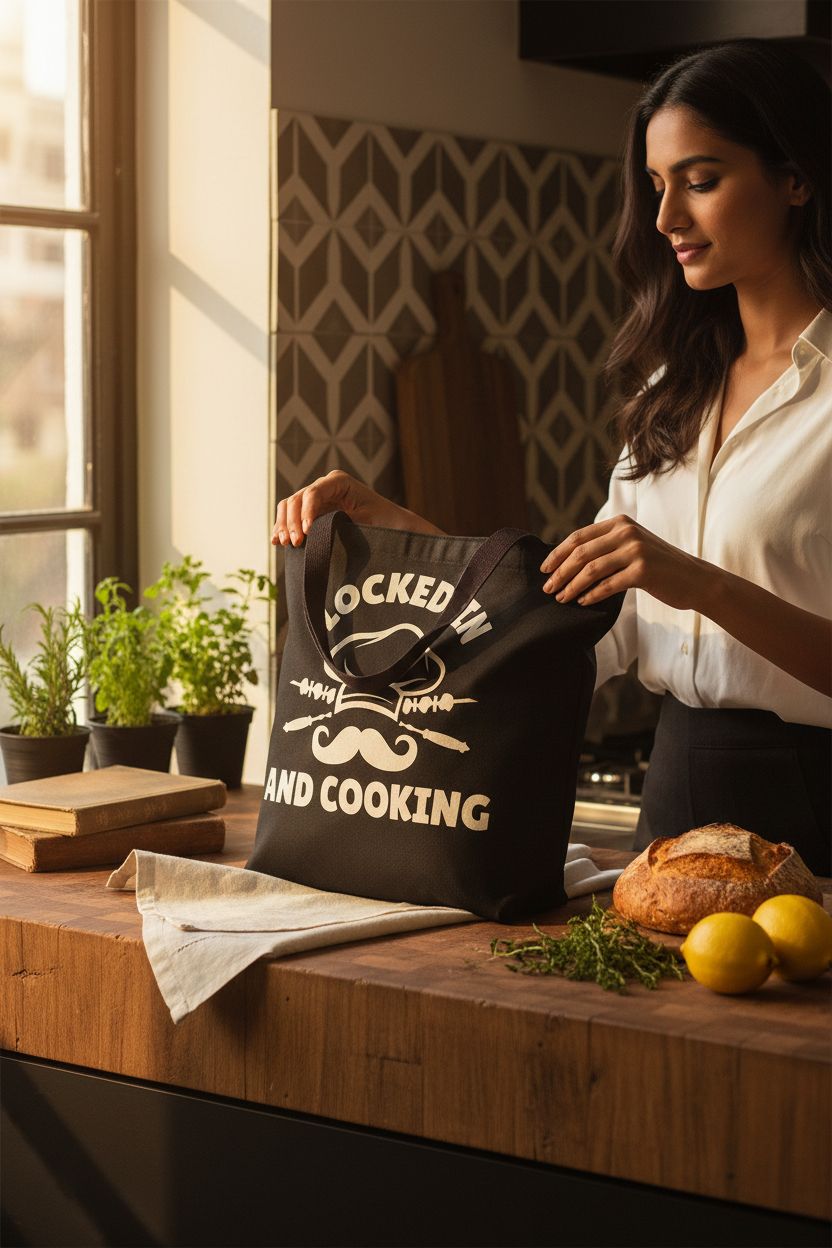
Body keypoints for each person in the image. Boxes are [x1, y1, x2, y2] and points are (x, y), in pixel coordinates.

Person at [273, 40, 832, 876]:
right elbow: (564, 608)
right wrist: (390, 531)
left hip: (812, 799)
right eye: (655, 186)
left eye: (700, 180)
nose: (665, 218)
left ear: (795, 178)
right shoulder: (674, 382)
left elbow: (665, 577)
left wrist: (696, 582)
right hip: (674, 798)